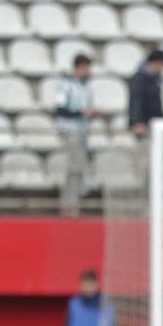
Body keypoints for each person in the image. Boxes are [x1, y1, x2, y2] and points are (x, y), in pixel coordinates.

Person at [53, 53, 99, 216]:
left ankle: (74, 204)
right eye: (85, 67)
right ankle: (68, 204)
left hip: (82, 132)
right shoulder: (65, 86)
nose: (87, 71)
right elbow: (60, 110)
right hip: (69, 131)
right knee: (73, 168)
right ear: (78, 68)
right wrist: (82, 112)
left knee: (78, 168)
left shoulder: (87, 87)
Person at [128, 48, 163, 138]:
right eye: (162, 64)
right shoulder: (139, 79)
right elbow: (136, 100)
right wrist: (137, 122)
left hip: (154, 123)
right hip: (144, 125)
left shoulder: (155, 79)